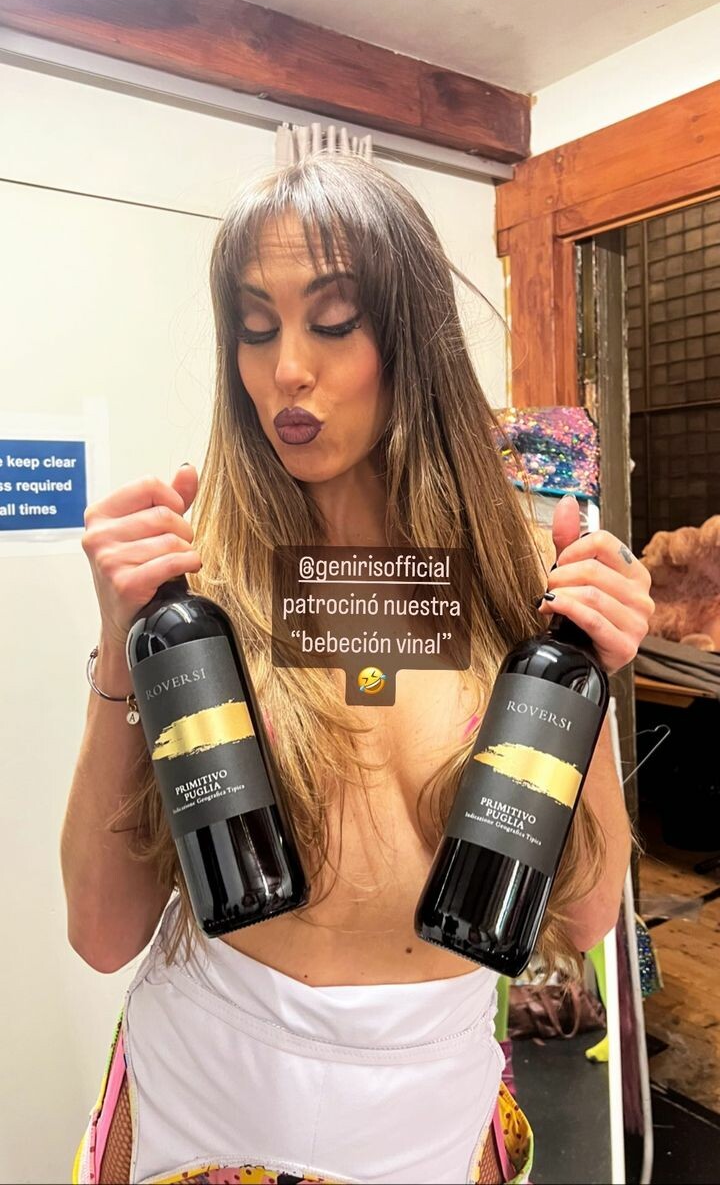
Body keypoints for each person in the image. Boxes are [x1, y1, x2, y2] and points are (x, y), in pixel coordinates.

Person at [63, 152, 652, 1185]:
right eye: (256, 327)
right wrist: (120, 643)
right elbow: (104, 933)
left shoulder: (516, 587)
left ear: (411, 337)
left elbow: (580, 916)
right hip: (200, 1101)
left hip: (425, 1116)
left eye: (333, 321)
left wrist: (592, 677)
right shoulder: (202, 590)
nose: (287, 369)